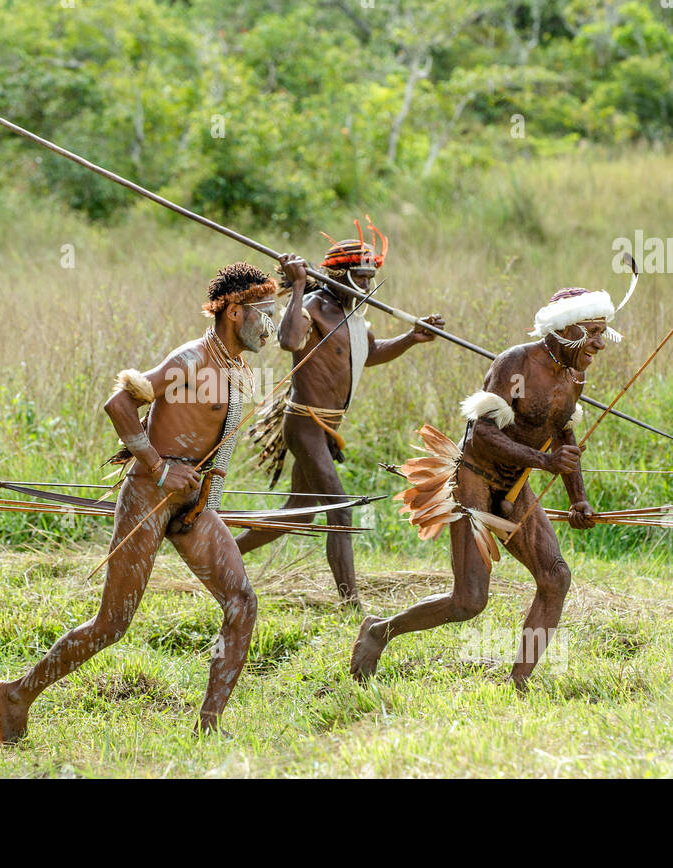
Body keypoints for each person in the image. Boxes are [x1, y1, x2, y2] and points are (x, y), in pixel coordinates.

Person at [0, 261, 281, 743]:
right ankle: (18, 693)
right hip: (149, 493)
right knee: (113, 623)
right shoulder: (191, 359)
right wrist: (160, 468)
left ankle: (209, 728)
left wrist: (207, 497)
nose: (269, 327)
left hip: (191, 502)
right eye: (263, 314)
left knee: (242, 602)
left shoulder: (240, 372)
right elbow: (119, 404)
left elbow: (221, 452)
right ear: (234, 311)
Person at [350, 287, 621, 688]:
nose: (600, 342)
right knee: (469, 602)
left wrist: (577, 497)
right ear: (565, 328)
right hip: (474, 478)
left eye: (603, 331)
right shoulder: (516, 363)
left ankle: (519, 683)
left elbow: (564, 435)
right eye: (593, 331)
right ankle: (380, 632)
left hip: (517, 482)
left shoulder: (575, 375)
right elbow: (481, 435)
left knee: (555, 578)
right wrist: (543, 462)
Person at [241, 224, 443, 603]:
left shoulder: (355, 316)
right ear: (340, 275)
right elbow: (287, 342)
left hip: (329, 427)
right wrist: (298, 285)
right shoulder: (311, 308)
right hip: (304, 423)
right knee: (341, 509)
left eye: (371, 278)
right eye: (360, 277)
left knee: (300, 513)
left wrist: (411, 338)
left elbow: (370, 354)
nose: (367, 285)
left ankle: (224, 554)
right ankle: (350, 601)